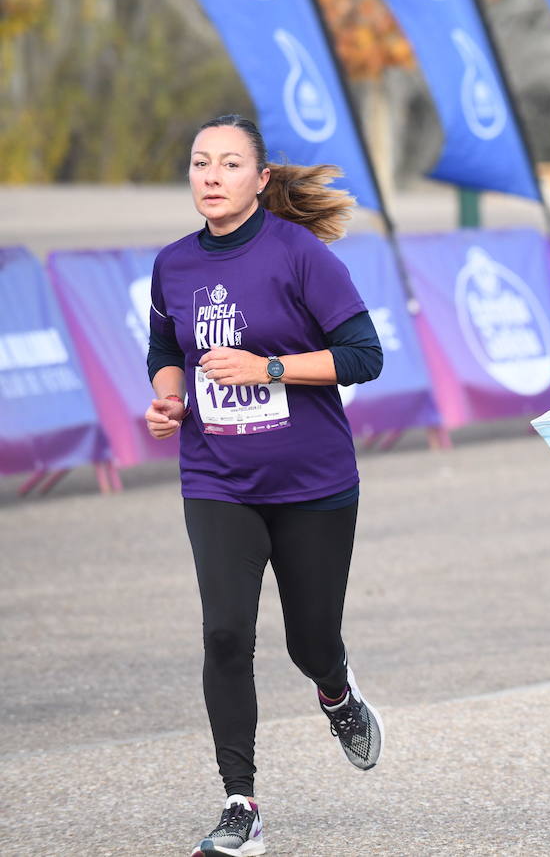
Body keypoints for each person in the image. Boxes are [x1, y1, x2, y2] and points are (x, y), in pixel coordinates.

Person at [143, 114, 386, 856]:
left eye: (227, 164)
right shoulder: (173, 265)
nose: (210, 177)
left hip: (313, 482)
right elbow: (163, 346)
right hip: (218, 476)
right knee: (224, 634)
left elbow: (364, 355)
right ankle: (239, 803)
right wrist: (167, 394)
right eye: (199, 163)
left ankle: (335, 690)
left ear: (260, 180)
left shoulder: (298, 255)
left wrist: (269, 367)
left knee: (310, 643)